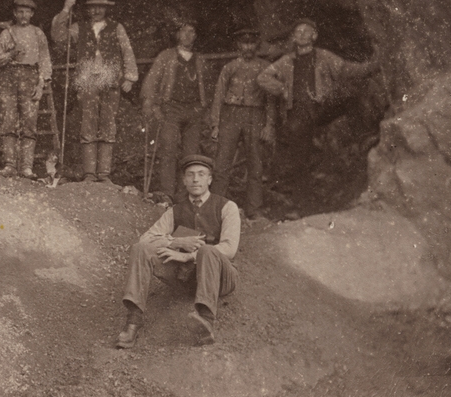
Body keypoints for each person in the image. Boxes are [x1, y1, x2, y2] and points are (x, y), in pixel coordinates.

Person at [116, 154, 240, 349]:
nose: (195, 179)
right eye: (190, 175)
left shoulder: (227, 207)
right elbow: (145, 240)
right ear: (184, 180)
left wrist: (188, 255)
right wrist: (175, 242)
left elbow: (229, 248)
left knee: (208, 250)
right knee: (141, 249)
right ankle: (133, 321)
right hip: (186, 279)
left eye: (201, 174)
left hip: (221, 280)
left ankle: (206, 321)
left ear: (210, 179)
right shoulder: (176, 211)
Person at [256, 18, 377, 184]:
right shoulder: (286, 61)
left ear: (314, 36)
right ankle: (300, 184)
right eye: (298, 32)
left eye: (306, 31)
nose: (302, 34)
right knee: (299, 145)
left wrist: (372, 66)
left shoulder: (324, 56)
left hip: (321, 107)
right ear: (293, 37)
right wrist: (282, 89)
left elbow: (347, 69)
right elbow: (263, 77)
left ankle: (363, 139)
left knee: (351, 96)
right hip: (298, 111)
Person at [51, 0, 138, 182]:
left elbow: (127, 51)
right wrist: (66, 9)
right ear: (87, 9)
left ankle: (104, 174)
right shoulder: (79, 28)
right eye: (93, 7)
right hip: (87, 80)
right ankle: (89, 173)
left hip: (110, 80)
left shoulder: (116, 28)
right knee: (88, 124)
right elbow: (58, 36)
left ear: (106, 9)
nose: (97, 11)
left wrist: (130, 77)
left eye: (101, 7)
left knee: (108, 125)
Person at [209, 28, 276, 215]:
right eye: (244, 43)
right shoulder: (230, 67)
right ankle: (215, 209)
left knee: (256, 164)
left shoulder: (265, 67)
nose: (248, 47)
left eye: (251, 43)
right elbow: (219, 95)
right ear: (238, 45)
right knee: (222, 163)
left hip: (256, 115)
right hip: (231, 115)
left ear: (257, 45)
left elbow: (271, 100)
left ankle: (254, 209)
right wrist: (215, 124)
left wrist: (269, 125)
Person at [141, 21, 206, 201]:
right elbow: (151, 81)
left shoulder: (200, 60)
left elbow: (206, 86)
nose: (187, 35)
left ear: (195, 35)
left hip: (193, 110)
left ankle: (185, 195)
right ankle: (167, 193)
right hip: (171, 109)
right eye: (183, 31)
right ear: (177, 34)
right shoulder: (166, 56)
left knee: (191, 155)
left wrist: (203, 108)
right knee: (168, 149)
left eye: (191, 31)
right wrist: (151, 104)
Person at [0, 0, 53, 178]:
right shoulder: (6, 34)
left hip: (30, 78)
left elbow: (45, 61)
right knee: (8, 122)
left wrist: (41, 84)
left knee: (29, 124)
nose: (23, 15)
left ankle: (26, 167)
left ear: (32, 14)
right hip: (9, 79)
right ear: (14, 13)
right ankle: (9, 165)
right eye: (20, 12)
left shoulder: (38, 34)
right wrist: (11, 54)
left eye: (27, 12)